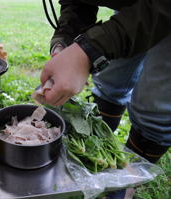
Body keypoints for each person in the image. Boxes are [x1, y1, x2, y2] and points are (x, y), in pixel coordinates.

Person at [40, 1, 171, 198]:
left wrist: (87, 51)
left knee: (154, 108)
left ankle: (126, 183)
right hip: (133, 6)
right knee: (110, 81)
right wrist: (64, 43)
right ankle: (95, 157)